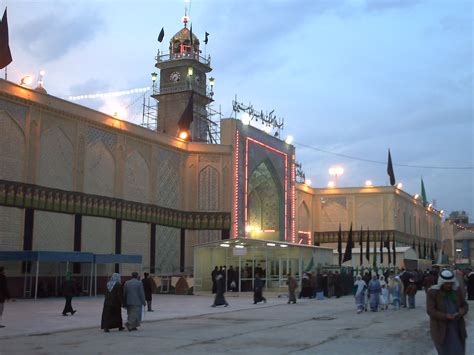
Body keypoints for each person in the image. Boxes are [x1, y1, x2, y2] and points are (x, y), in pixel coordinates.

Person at [427, 269, 469, 355]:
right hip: (441, 329)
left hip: (457, 327)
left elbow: (464, 305)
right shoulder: (433, 292)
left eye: (451, 283)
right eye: (447, 283)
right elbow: (430, 310)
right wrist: (445, 316)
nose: (449, 286)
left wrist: (462, 311)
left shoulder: (456, 291)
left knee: (459, 350)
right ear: (441, 282)